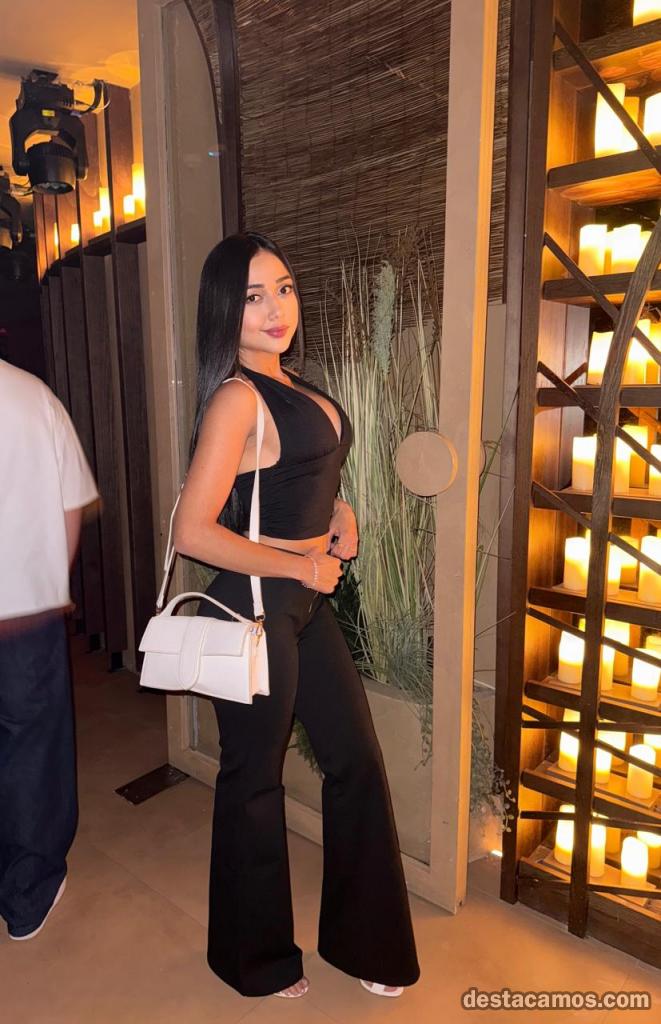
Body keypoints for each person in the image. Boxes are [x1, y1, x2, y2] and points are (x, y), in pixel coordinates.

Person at [173, 232, 420, 999]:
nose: (276, 308)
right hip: (255, 607)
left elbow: (297, 478)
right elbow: (191, 531)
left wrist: (338, 513)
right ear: (225, 310)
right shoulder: (237, 397)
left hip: (304, 604)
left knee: (355, 761)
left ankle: (366, 946)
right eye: (253, 297)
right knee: (254, 779)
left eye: (282, 287)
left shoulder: (294, 384)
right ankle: (253, 960)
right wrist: (301, 564)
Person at [0, 359, 99, 940]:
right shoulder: (34, 396)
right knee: (32, 744)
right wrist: (52, 584)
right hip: (23, 607)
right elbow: (70, 505)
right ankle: (28, 893)